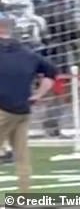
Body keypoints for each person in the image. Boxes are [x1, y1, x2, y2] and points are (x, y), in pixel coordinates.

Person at [0, 12, 58, 191]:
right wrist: (38, 95)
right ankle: (23, 197)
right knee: (22, 156)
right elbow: (51, 72)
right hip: (23, 110)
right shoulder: (27, 54)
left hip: (2, 110)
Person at [40, 0, 80, 137]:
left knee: (60, 90)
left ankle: (52, 123)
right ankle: (51, 123)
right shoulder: (59, 8)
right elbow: (69, 32)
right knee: (61, 89)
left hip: (54, 52)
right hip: (62, 53)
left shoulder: (46, 8)